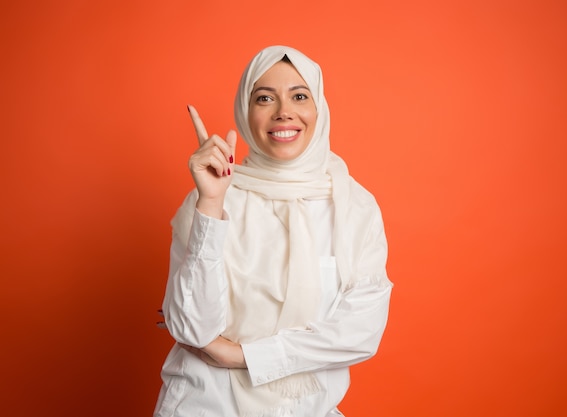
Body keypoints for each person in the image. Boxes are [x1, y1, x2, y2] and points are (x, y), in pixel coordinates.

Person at [154, 45, 393, 417]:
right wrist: (212, 205)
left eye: (299, 96)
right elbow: (193, 329)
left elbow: (360, 333)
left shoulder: (354, 208)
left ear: (319, 109)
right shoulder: (209, 199)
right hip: (207, 407)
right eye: (264, 98)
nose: (284, 112)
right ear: (246, 113)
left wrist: (243, 356)